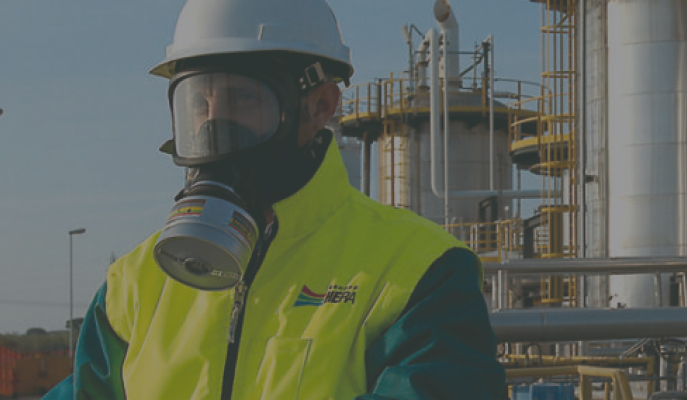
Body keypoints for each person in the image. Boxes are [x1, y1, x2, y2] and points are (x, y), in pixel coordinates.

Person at [44, 0, 505, 398]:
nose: (214, 127)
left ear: (322, 104)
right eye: (198, 103)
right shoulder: (133, 286)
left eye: (245, 99)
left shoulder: (420, 272)